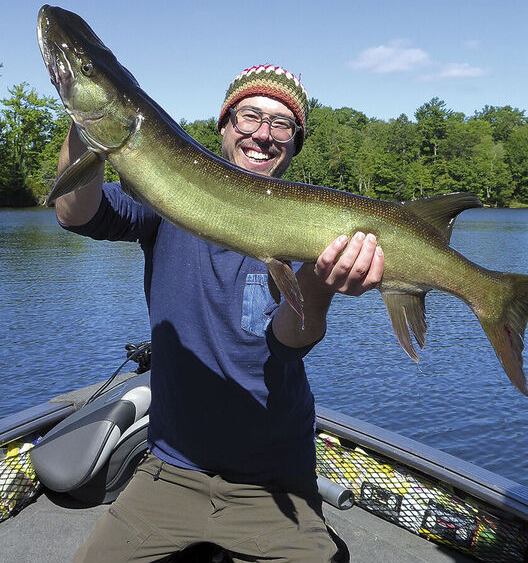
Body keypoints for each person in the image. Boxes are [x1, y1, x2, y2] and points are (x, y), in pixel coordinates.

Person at [56, 65, 384, 563]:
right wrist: (87, 118)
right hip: (169, 470)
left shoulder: (314, 229)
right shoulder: (166, 194)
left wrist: (318, 284)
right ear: (225, 124)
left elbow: (290, 342)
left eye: (282, 125)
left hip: (272, 480)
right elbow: (74, 213)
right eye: (250, 116)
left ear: (295, 143)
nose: (263, 135)